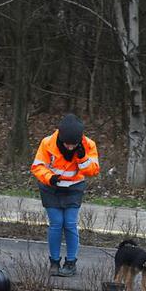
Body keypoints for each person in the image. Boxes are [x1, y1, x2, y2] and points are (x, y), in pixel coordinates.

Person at [31, 113, 100, 276]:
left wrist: (82, 158)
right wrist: (50, 177)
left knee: (69, 224)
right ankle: (54, 262)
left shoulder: (88, 145)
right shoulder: (47, 143)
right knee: (56, 224)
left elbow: (94, 170)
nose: (70, 148)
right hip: (51, 187)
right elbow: (37, 166)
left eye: (73, 145)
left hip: (74, 187)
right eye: (67, 144)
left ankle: (71, 262)